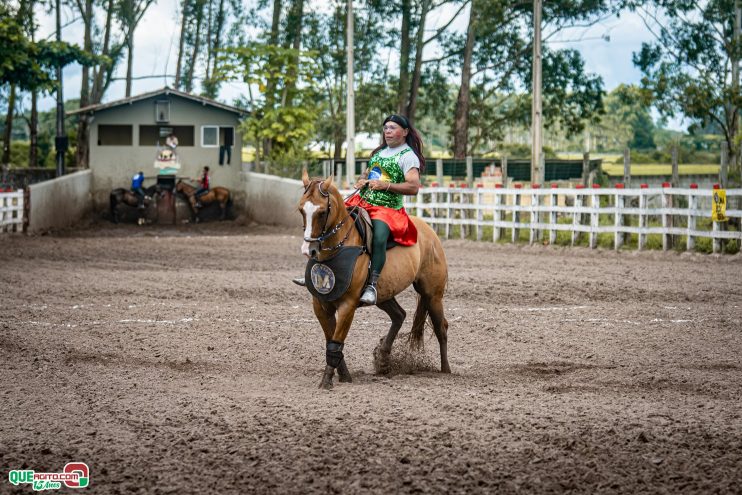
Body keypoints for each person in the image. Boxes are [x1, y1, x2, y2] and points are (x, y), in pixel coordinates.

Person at [294, 114, 424, 306]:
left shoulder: (408, 156)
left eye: (392, 127)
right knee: (330, 222)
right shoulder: (379, 153)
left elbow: (413, 187)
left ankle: (371, 284)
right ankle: (315, 270)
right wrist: (363, 180)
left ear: (404, 132)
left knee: (379, 237)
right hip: (362, 201)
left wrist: (384, 186)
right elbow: (371, 173)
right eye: (385, 127)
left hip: (387, 208)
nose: (387, 131)